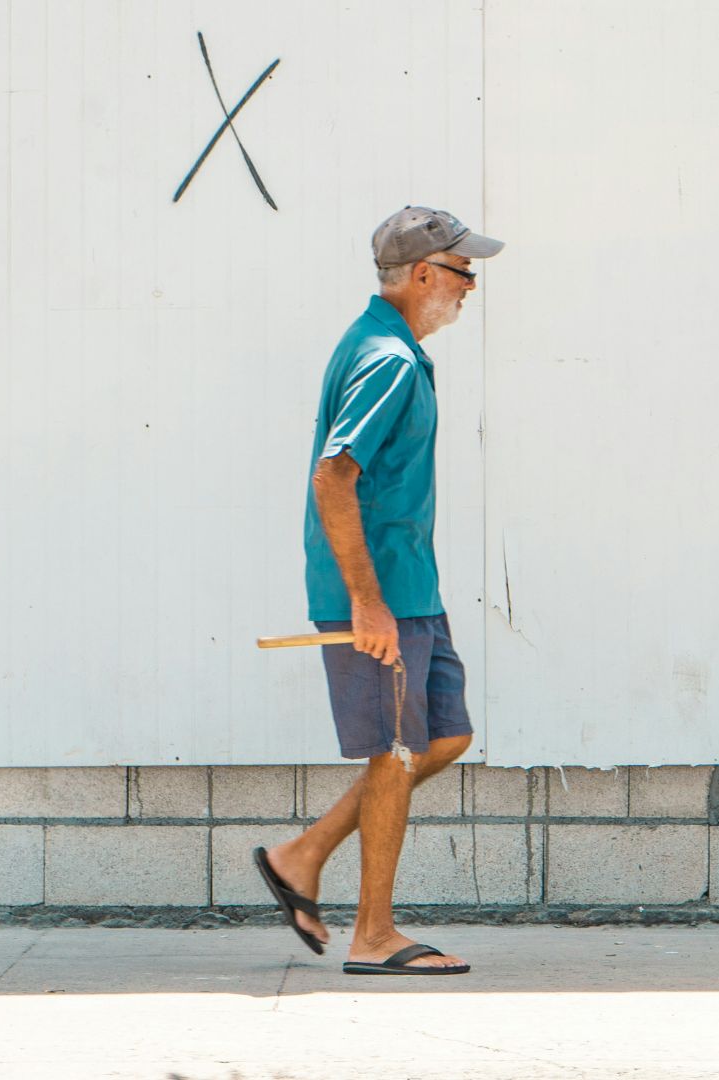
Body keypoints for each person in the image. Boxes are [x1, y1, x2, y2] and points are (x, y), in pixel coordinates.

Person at [254, 206, 503, 975]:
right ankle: (374, 937)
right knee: (397, 750)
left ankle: (306, 852)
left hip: (409, 589)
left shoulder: (387, 347)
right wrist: (366, 602)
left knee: (444, 738)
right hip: (379, 595)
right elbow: (334, 474)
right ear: (425, 274)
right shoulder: (388, 359)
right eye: (466, 273)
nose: (471, 288)